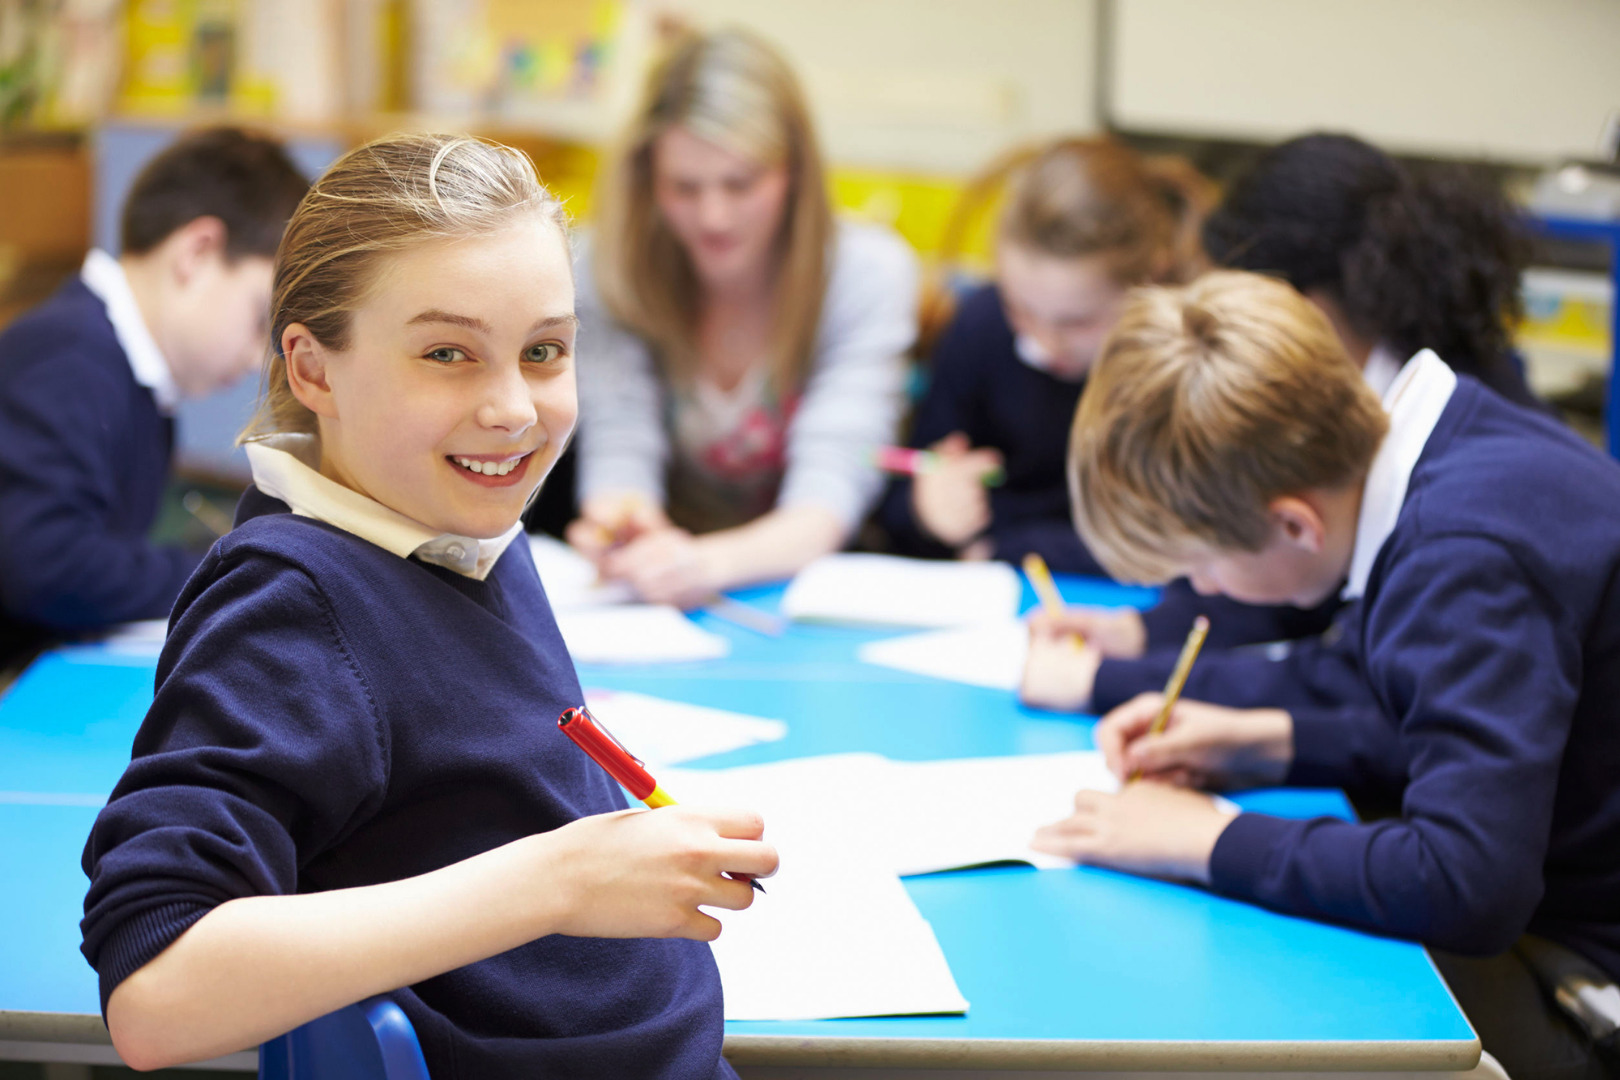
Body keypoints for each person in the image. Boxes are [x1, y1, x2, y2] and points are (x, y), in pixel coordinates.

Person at [80, 133, 777, 1078]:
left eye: (543, 351)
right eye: (447, 353)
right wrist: (562, 881)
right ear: (314, 369)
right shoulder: (290, 608)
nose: (512, 410)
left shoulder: (457, 524)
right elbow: (157, 997)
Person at [1027, 270, 1620, 1078]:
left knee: (1233, 981)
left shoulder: (1463, 558)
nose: (1202, 590)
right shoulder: (1450, 443)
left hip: (1586, 981)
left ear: (1292, 524)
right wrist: (1267, 744)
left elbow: (1465, 881)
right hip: (1560, 903)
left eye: (1202, 565)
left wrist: (1210, 839)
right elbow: (1457, 712)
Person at [1031, 132, 1544, 704]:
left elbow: (1364, 686)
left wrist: (1110, 683)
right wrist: (1145, 633)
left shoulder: (1442, 483)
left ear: (1302, 305)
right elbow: (1291, 576)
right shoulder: (1401, 395)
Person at [567, 28, 918, 607]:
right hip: (667, 593)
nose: (714, 217)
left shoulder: (866, 274)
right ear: (648, 180)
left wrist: (705, 562)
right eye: (684, 187)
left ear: (795, 174)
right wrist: (622, 525)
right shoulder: (604, 269)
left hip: (803, 594)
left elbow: (828, 496)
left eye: (741, 183)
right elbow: (620, 442)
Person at [0, 127, 307, 664]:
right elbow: (43, 565)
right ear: (197, 253)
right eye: (261, 318)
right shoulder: (70, 358)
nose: (262, 355)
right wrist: (224, 571)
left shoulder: (127, 374)